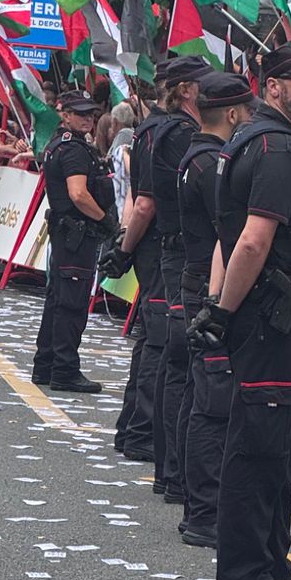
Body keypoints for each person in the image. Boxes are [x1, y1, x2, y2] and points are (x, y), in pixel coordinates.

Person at [190, 38, 291, 580]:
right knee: (260, 447)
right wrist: (225, 311)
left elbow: (232, 239)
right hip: (266, 317)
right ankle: (246, 574)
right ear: (272, 86)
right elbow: (252, 240)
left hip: (260, 313)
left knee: (275, 445)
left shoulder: (248, 141)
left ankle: (270, 559)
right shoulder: (276, 147)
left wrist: (219, 306)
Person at [176, 71, 256, 548]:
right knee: (213, 402)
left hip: (197, 281)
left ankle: (197, 499)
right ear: (230, 114)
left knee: (199, 393)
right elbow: (228, 232)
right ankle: (205, 510)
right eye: (245, 111)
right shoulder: (208, 162)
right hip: (208, 285)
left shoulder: (198, 156)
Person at [147, 56, 210, 501]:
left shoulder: (157, 128)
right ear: (188, 90)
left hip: (169, 249)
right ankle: (174, 473)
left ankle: (169, 470)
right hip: (182, 251)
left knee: (174, 359)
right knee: (181, 362)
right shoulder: (183, 135)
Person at [106, 73, 172, 463]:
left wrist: (125, 243)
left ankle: (132, 427)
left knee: (150, 339)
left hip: (146, 245)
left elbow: (136, 198)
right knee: (158, 344)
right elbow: (145, 201)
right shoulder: (166, 134)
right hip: (161, 248)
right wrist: (127, 245)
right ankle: (141, 430)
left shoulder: (146, 133)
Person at [31, 92, 116, 393]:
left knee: (57, 301)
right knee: (71, 305)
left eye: (91, 114)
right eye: (80, 113)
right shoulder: (75, 150)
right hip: (77, 234)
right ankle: (64, 369)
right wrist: (105, 220)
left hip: (65, 233)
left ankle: (46, 365)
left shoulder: (58, 144)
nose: (88, 119)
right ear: (64, 114)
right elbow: (78, 193)